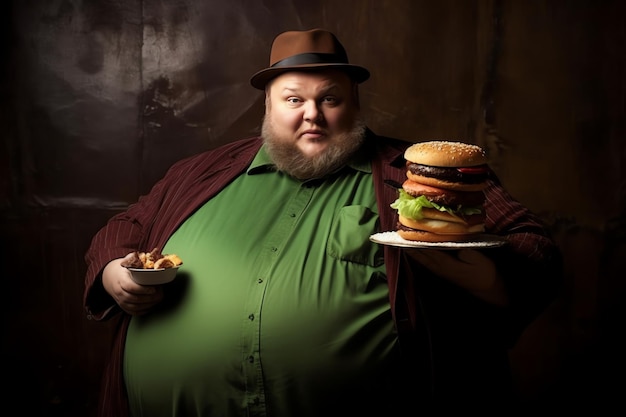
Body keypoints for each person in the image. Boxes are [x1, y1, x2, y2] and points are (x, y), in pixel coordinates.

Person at [84, 28, 562, 417]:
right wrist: (113, 273)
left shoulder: (422, 172)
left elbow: (532, 246)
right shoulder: (199, 171)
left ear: (354, 103)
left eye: (330, 99)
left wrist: (481, 276)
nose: (312, 114)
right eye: (293, 99)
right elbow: (128, 225)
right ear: (267, 106)